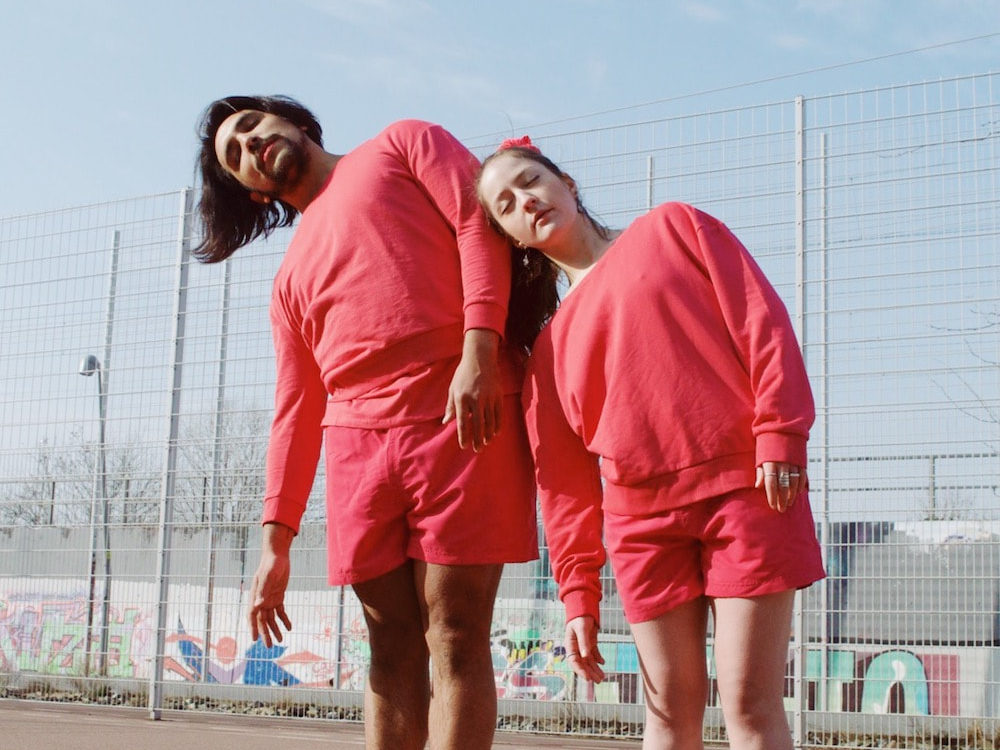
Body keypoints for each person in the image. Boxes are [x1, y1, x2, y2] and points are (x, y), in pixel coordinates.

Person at [193, 96, 537, 750]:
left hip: (460, 413)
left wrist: (480, 349)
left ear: (293, 121)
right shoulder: (286, 284)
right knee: (389, 646)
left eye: (251, 126)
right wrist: (275, 540)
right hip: (356, 451)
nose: (249, 144)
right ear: (255, 193)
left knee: (456, 632)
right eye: (235, 155)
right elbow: (296, 406)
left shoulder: (403, 143)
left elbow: (478, 223)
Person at [476, 137, 825, 750]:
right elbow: (565, 490)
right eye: (505, 205)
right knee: (666, 715)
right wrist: (579, 594)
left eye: (529, 181)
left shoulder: (674, 227)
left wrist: (781, 432)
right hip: (641, 530)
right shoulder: (546, 353)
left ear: (568, 184)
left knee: (750, 705)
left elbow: (761, 321)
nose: (524, 201)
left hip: (746, 492)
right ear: (513, 240)